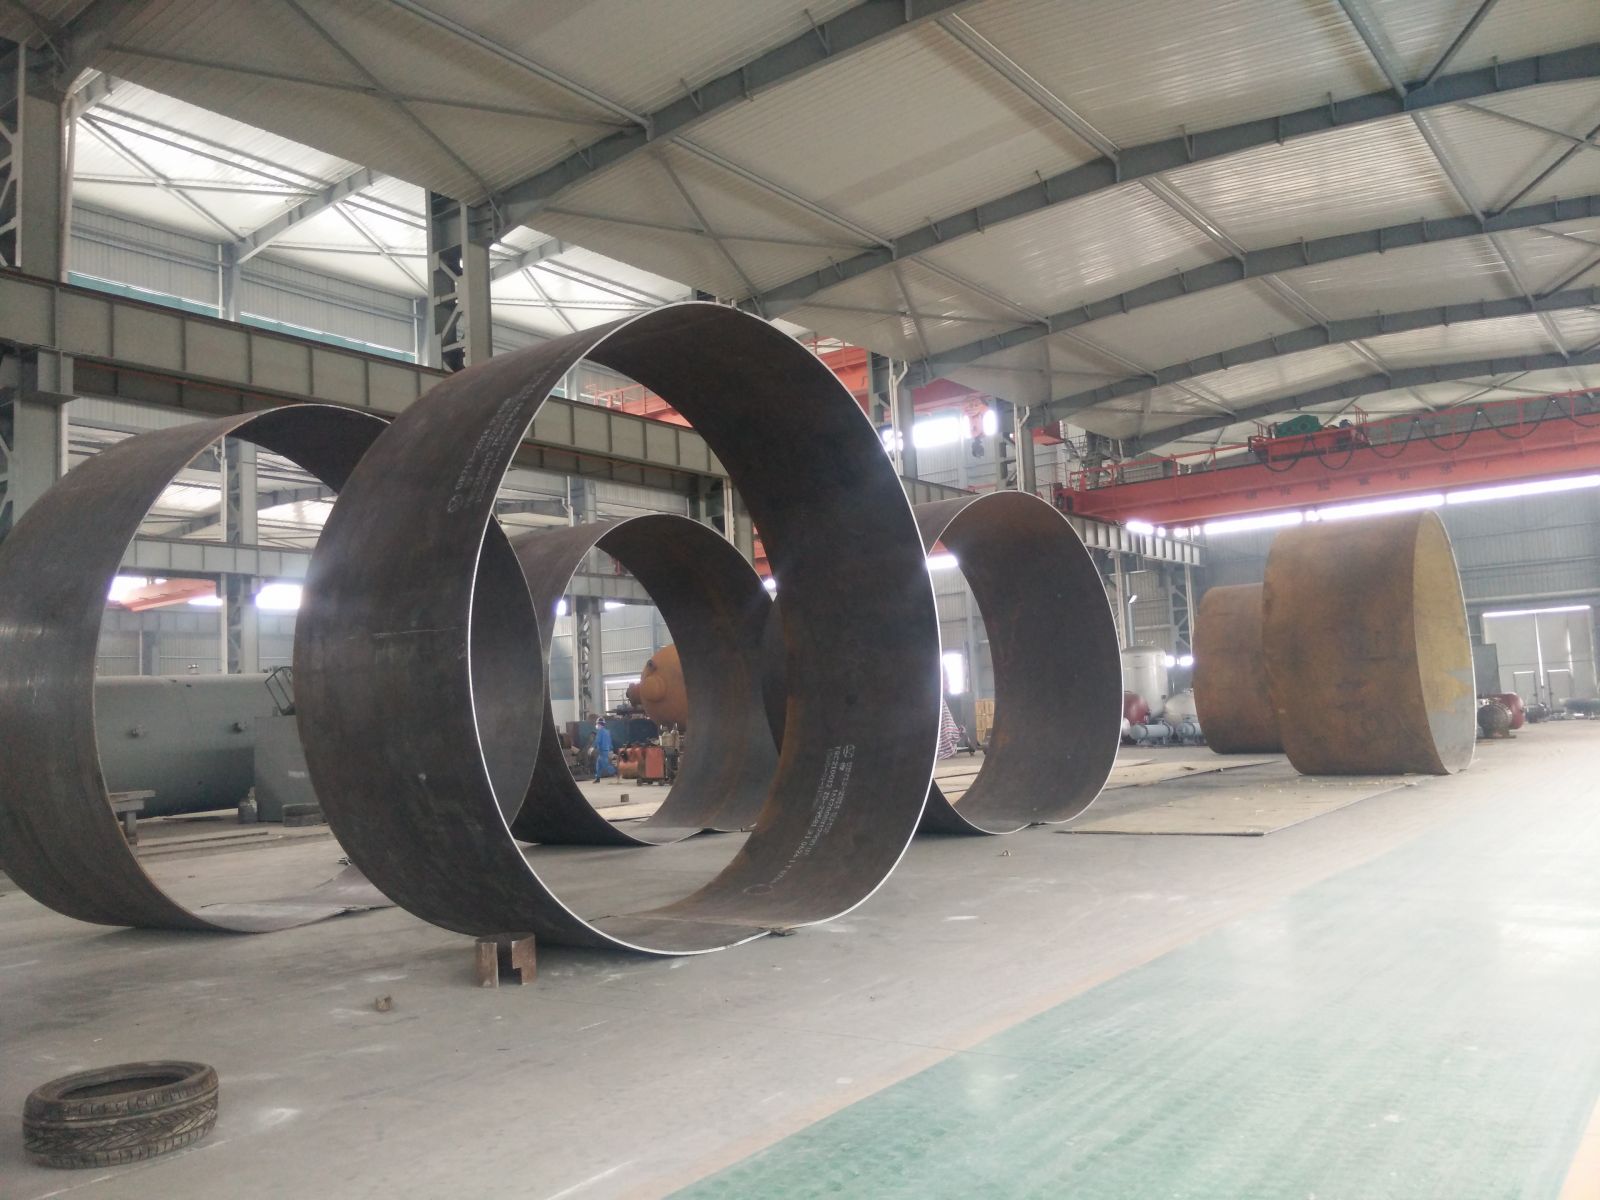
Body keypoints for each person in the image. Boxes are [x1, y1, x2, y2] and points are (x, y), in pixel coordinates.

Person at [591, 715, 615, 783]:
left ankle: (616, 772)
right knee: (599, 764)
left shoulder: (600, 731)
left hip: (603, 751)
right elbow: (610, 741)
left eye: (597, 724)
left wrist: (592, 747)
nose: (596, 725)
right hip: (605, 751)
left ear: (599, 724)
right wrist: (611, 749)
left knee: (605, 765)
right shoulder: (607, 732)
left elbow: (597, 740)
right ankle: (598, 778)